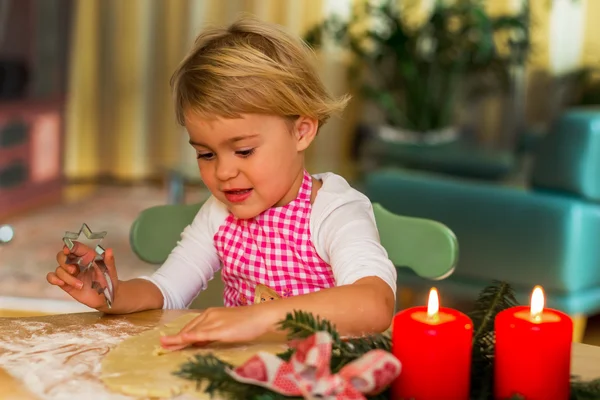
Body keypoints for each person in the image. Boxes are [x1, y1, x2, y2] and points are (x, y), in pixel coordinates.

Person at [47, 16, 397, 350]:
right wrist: (113, 295)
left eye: (243, 151)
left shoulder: (333, 210)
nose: (224, 172)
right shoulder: (219, 213)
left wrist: (256, 318)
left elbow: (374, 302)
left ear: (301, 131)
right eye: (206, 155)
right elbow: (167, 290)